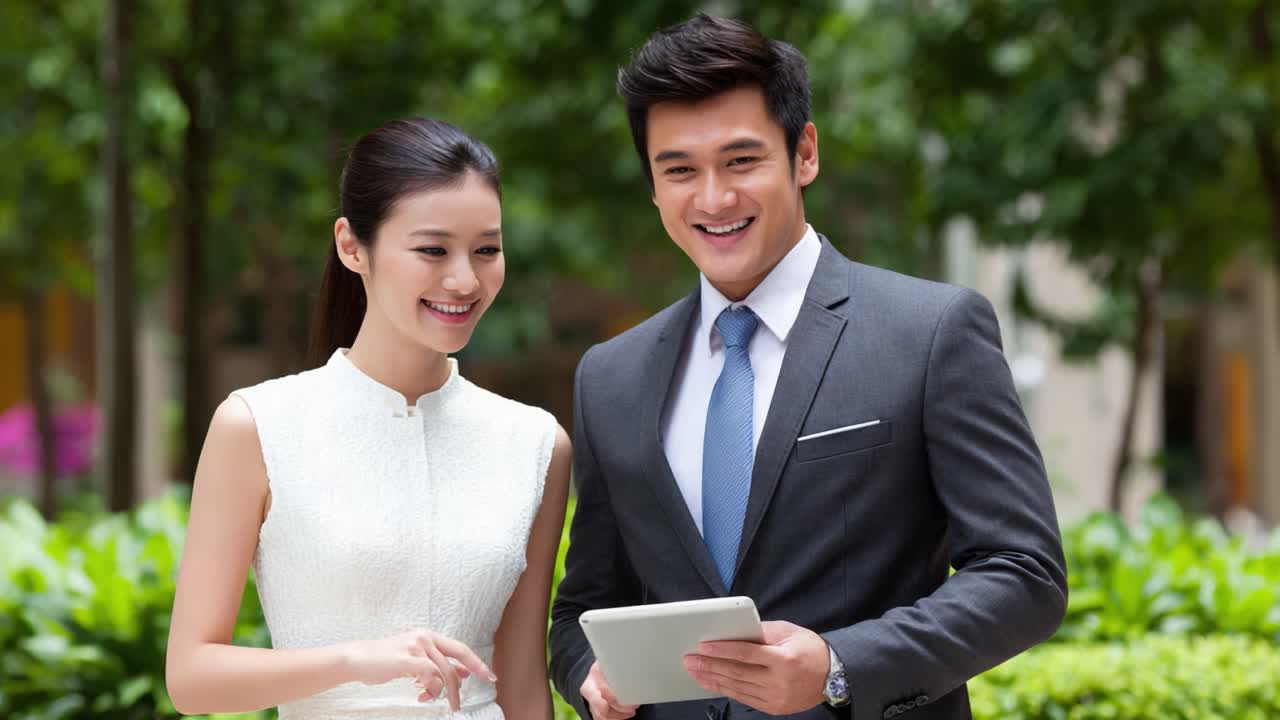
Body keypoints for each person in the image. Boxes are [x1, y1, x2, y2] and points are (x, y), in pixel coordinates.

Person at [549, 14, 1067, 720]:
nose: (713, 198)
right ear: (652, 185)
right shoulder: (611, 375)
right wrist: (588, 676)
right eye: (679, 170)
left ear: (805, 154)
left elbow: (1024, 574)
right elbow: (583, 609)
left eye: (741, 161)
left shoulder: (931, 332)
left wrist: (839, 665)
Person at [165, 118, 570, 720]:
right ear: (352, 245)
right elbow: (192, 677)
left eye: (486, 249)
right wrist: (355, 660)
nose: (465, 279)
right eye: (433, 249)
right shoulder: (258, 426)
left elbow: (521, 684)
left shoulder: (537, 443)